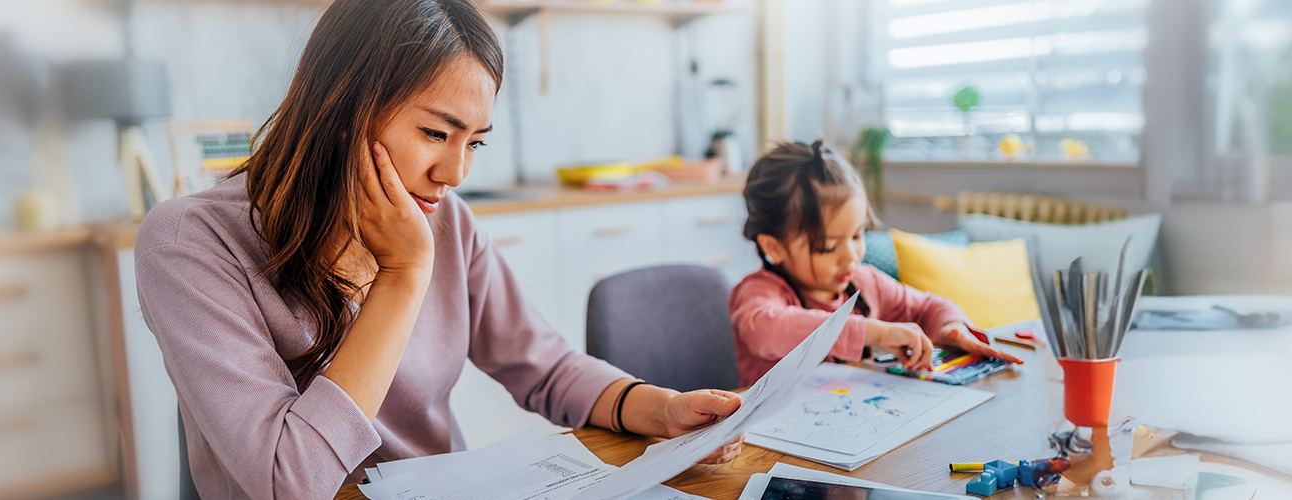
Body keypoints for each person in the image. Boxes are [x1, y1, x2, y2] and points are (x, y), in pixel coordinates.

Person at [133, 1, 741, 498]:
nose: (453, 171)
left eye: (474, 142)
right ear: (342, 110)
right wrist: (402, 275)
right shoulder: (191, 243)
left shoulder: (449, 220)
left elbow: (546, 366)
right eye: (435, 133)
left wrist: (661, 410)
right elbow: (288, 483)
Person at [726, 141, 1024, 387]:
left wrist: (951, 328)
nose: (851, 256)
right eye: (827, 246)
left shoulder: (865, 282)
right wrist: (874, 332)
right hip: (770, 442)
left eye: (857, 235)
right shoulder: (757, 293)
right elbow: (769, 330)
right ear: (773, 247)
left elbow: (928, 306)